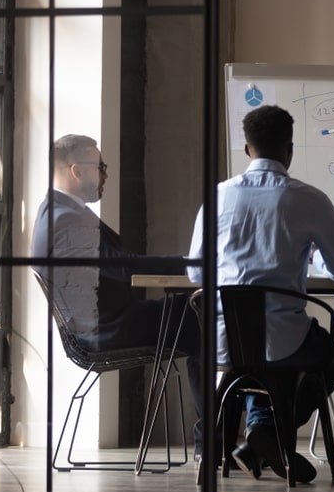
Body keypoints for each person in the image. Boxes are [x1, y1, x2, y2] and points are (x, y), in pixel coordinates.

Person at [187, 105, 334, 483]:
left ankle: (256, 434)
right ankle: (265, 429)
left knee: (250, 363)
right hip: (285, 342)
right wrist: (315, 259)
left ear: (247, 149)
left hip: (222, 343)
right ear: (290, 150)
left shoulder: (216, 197)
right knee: (333, 360)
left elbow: (194, 272)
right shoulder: (309, 199)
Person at [30, 134, 205, 454]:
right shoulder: (66, 219)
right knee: (202, 317)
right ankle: (213, 441)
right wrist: (194, 264)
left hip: (106, 324)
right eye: (100, 166)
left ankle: (217, 438)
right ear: (76, 171)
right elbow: (122, 267)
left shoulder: (55, 211)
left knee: (198, 313)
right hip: (106, 331)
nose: (106, 174)